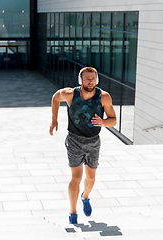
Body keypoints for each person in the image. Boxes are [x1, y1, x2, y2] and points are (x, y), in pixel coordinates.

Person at [49, 67, 116, 224]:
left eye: (93, 78)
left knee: (91, 177)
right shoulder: (70, 94)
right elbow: (55, 98)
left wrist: (103, 122)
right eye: (87, 78)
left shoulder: (104, 97)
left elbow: (113, 119)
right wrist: (54, 119)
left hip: (93, 141)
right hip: (74, 140)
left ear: (96, 80)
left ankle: (85, 197)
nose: (90, 81)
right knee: (76, 177)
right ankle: (73, 213)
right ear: (81, 80)